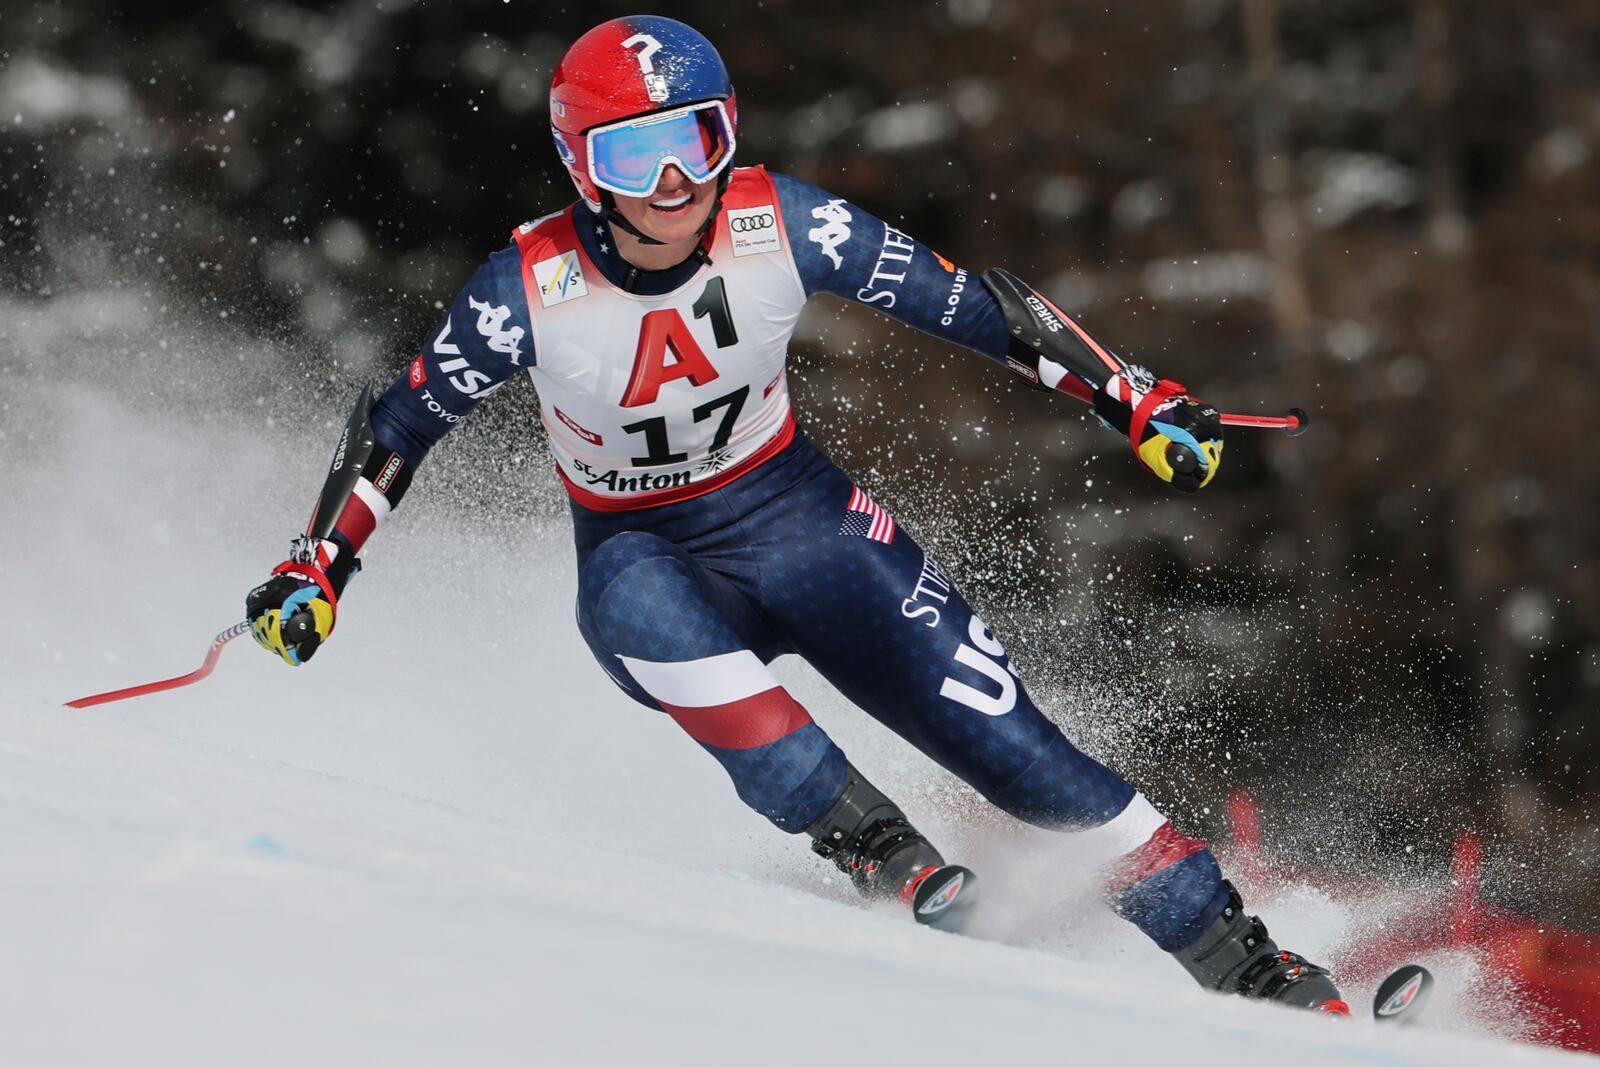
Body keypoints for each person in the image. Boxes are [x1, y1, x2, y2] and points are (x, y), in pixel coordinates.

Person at [246, 16, 1347, 1014]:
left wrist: (1133, 396)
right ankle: (880, 849)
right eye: (637, 154)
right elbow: (400, 422)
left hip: (801, 519)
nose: (676, 182)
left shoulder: (788, 223)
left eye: (701, 140)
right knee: (652, 618)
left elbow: (975, 308)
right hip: (644, 552)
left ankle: (1242, 959)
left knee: (1017, 752)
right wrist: (319, 569)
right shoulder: (523, 287)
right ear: (582, 168)